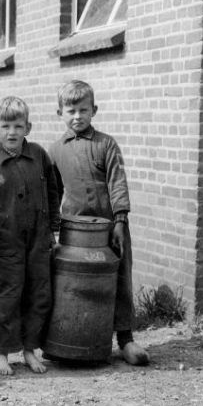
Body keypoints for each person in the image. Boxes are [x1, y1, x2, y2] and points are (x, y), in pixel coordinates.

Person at [48, 80, 149, 366]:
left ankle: (125, 340)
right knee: (72, 282)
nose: (77, 116)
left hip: (110, 227)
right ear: (60, 113)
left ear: (94, 110)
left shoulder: (106, 144)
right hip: (76, 231)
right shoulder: (55, 150)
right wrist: (51, 229)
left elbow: (118, 183)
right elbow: (53, 192)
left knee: (120, 278)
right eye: (71, 110)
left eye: (83, 110)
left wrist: (120, 219)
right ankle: (72, 335)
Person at [0, 96, 60, 375]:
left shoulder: (39, 155)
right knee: (8, 294)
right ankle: (1, 352)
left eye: (18, 126)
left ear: (28, 127)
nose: (12, 132)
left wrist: (54, 226)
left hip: (39, 238)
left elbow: (54, 191)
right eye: (6, 125)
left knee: (38, 292)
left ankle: (29, 349)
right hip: (7, 240)